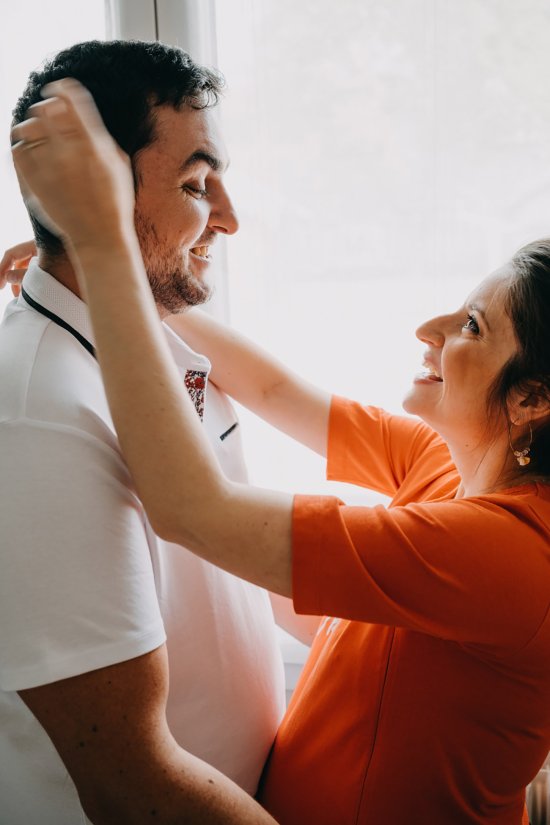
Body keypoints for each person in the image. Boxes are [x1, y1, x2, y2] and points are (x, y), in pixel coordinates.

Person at [12, 78, 550, 825]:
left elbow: (194, 510)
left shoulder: (513, 553)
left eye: (472, 327)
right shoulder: (449, 464)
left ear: (530, 401)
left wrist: (105, 255)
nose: (430, 328)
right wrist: (118, 285)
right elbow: (268, 389)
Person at [0, 40, 293, 825]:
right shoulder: (36, 415)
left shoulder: (159, 341)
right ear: (93, 187)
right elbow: (130, 781)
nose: (227, 217)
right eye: (197, 184)